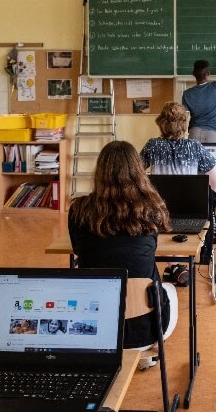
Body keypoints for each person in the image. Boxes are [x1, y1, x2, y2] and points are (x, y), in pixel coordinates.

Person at [69, 140, 178, 350]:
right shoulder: (151, 208)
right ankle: (153, 354)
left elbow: (77, 249)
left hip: (90, 329)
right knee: (169, 288)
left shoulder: (79, 210)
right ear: (138, 171)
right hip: (145, 329)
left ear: (99, 172)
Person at [140, 102, 216, 285]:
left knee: (157, 230)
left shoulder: (152, 146)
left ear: (161, 123)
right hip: (191, 213)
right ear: (184, 124)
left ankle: (174, 267)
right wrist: (207, 205)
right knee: (183, 231)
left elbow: (136, 175)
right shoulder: (195, 147)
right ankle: (177, 267)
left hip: (157, 214)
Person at [182, 46, 216, 224]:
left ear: (194, 74)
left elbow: (183, 116)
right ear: (208, 74)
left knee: (196, 175)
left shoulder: (187, 94)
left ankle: (197, 212)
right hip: (214, 136)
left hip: (194, 134)